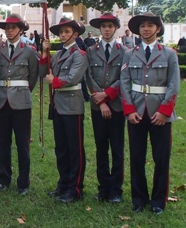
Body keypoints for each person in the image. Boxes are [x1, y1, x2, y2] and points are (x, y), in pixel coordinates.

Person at [120, 12, 179, 215]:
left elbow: (173, 84)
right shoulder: (130, 54)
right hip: (137, 111)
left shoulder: (169, 54)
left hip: (159, 112)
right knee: (136, 157)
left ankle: (158, 201)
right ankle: (139, 199)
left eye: (150, 25)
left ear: (158, 29)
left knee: (161, 158)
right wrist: (129, 110)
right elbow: (124, 83)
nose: (146, 29)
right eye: (143, 26)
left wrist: (164, 111)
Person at [43, 18, 88, 204]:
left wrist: (54, 81)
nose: (63, 35)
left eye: (67, 31)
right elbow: (45, 70)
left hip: (72, 105)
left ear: (75, 34)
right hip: (58, 104)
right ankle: (63, 183)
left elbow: (72, 78)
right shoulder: (58, 54)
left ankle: (75, 188)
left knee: (74, 148)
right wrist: (44, 52)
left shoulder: (79, 55)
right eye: (61, 32)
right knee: (61, 148)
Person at [0, 14, 39, 196]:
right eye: (7, 28)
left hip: (21, 102)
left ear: (21, 30)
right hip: (1, 101)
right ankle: (4, 179)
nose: (9, 31)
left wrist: (23, 91)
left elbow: (33, 76)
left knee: (22, 144)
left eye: (13, 27)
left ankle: (23, 182)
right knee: (2, 143)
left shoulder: (29, 51)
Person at [85, 13, 125, 204]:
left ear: (116, 28)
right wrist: (100, 102)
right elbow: (89, 76)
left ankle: (116, 190)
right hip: (97, 107)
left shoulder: (125, 51)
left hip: (117, 106)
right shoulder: (91, 51)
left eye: (110, 26)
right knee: (101, 148)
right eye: (104, 26)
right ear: (99, 29)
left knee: (117, 148)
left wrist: (107, 95)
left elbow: (124, 78)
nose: (107, 29)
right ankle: (103, 188)